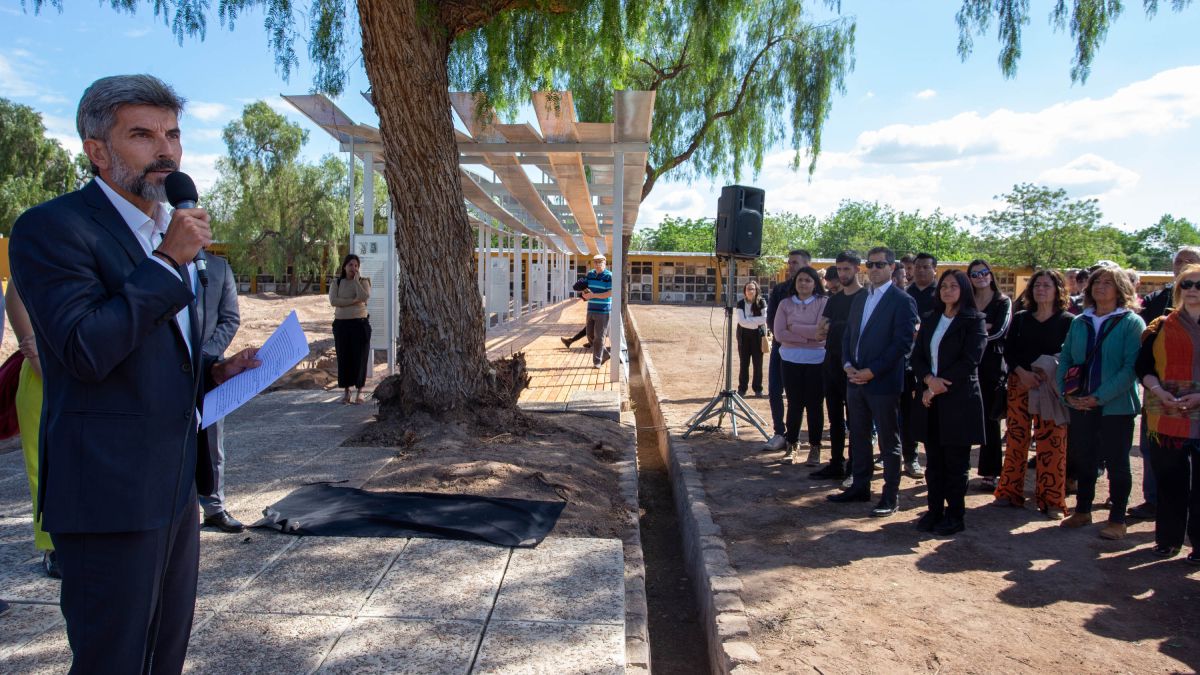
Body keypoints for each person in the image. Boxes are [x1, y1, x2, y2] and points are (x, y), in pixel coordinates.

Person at [8, 74, 260, 673]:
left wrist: (215, 373)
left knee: (163, 655)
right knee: (113, 660)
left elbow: (153, 349)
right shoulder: (51, 229)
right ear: (98, 151)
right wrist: (169, 260)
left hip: (172, 488)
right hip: (106, 492)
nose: (166, 151)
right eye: (143, 135)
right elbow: (85, 349)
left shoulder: (165, 230)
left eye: (172, 133)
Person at [827, 247, 919, 518]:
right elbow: (848, 336)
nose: (875, 269)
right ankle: (860, 486)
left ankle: (890, 496)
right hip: (855, 380)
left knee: (888, 441)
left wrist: (872, 371)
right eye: (871, 264)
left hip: (883, 383)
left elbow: (902, 344)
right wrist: (847, 364)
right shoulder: (860, 299)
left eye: (880, 264)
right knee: (858, 436)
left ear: (892, 268)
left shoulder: (902, 301)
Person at [1056, 266, 1145, 539]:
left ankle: (1117, 518)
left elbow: (1131, 368)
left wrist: (1099, 397)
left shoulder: (1131, 323)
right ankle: (1082, 510)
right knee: (1084, 458)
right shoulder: (1080, 321)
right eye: (1096, 282)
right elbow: (1066, 358)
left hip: (1116, 407)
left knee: (1117, 462)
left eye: (1108, 282)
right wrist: (1067, 393)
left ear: (1121, 289)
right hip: (1080, 403)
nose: (1100, 287)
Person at [993, 269, 1074, 519]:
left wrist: (1046, 373)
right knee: (1017, 439)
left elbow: (1070, 355)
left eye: (1046, 285)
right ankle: (1009, 491)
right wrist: (1023, 373)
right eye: (1037, 285)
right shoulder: (1021, 318)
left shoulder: (1069, 321)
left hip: (1051, 388)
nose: (1040, 289)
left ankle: (1051, 500)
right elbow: (1010, 350)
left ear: (1058, 289)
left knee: (1052, 442)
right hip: (1021, 384)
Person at [912, 270, 987, 535]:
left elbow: (970, 361)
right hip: (931, 397)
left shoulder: (974, 320)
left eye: (954, 286)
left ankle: (955, 515)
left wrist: (937, 385)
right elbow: (917, 357)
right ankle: (934, 511)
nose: (947, 290)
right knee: (934, 462)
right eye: (943, 286)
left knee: (956, 463)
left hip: (959, 399)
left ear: (964, 289)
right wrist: (928, 380)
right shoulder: (931, 319)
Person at [1136, 262, 1200, 564]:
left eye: (1199, 285)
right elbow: (1144, 367)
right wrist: (1160, 392)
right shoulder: (1160, 325)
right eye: (1186, 285)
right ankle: (1168, 540)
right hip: (1165, 412)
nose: (1192, 291)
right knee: (1170, 481)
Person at [5, 283, 58, 577]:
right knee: (45, 464)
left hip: (86, 372)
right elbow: (18, 301)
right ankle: (53, 546)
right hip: (44, 375)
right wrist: (40, 364)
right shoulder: (36, 251)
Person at [198, 255, 245, 533]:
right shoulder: (160, 259)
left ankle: (214, 508)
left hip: (210, 367)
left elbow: (230, 319)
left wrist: (205, 357)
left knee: (213, 441)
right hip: (166, 368)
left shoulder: (219, 268)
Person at [811, 251, 864, 480]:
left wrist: (836, 327)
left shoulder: (865, 298)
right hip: (831, 362)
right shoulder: (834, 300)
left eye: (847, 269)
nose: (842, 273)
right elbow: (819, 331)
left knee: (856, 420)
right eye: (839, 269)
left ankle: (855, 467)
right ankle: (836, 462)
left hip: (854, 366)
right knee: (834, 417)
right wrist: (835, 327)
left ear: (857, 269)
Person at [773, 267, 829, 464]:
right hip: (790, 360)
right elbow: (779, 334)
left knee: (815, 405)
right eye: (800, 280)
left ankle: (815, 448)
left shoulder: (824, 303)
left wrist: (794, 328)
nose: (803, 284)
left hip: (817, 361)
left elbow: (822, 333)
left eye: (807, 280)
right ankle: (792, 446)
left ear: (815, 283)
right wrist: (809, 337)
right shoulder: (785, 304)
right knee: (794, 404)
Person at [967, 259, 1012, 491]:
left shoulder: (1003, 302)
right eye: (974, 274)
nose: (980, 277)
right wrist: (983, 329)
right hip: (967, 364)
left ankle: (991, 471)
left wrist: (974, 333)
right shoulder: (967, 301)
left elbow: (1000, 332)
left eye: (983, 272)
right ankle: (961, 467)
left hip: (992, 365)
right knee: (963, 416)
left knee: (990, 420)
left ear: (991, 274)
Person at [762, 249, 811, 451]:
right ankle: (779, 432)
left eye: (795, 263)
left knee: (797, 395)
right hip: (780, 348)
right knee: (775, 390)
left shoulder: (815, 293)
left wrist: (796, 333)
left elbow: (816, 325)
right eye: (789, 262)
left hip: (804, 352)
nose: (791, 266)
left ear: (807, 265)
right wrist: (789, 334)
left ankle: (794, 436)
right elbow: (772, 321)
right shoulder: (780, 290)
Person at [899, 252, 939, 479]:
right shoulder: (905, 295)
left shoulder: (942, 296)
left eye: (926, 267)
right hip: (907, 363)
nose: (921, 271)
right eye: (918, 267)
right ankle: (910, 457)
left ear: (934, 269)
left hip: (934, 366)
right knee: (907, 412)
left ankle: (933, 459)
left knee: (933, 413)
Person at [329, 253, 372, 403]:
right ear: (344, 267)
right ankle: (346, 392)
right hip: (342, 325)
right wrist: (354, 300)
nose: (353, 268)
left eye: (355, 265)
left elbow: (364, 297)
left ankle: (360, 392)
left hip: (359, 324)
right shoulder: (337, 282)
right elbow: (334, 301)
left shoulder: (363, 281)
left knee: (360, 358)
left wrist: (355, 282)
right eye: (350, 265)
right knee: (344, 357)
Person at [581, 254, 614, 368]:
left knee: (599, 337)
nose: (598, 265)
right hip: (591, 309)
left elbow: (610, 293)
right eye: (596, 262)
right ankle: (605, 353)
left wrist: (594, 295)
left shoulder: (609, 276)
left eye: (601, 262)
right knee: (589, 335)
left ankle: (597, 361)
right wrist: (584, 294)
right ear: (593, 263)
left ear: (605, 263)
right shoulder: (590, 274)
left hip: (603, 311)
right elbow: (585, 288)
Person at [735, 281, 767, 398]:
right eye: (748, 289)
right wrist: (755, 322)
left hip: (758, 336)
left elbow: (764, 319)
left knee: (758, 363)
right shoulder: (740, 303)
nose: (750, 291)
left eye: (752, 289)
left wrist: (749, 320)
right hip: (744, 336)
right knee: (744, 363)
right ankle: (742, 389)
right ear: (745, 291)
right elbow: (741, 321)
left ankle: (758, 388)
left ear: (756, 290)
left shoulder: (761, 302)